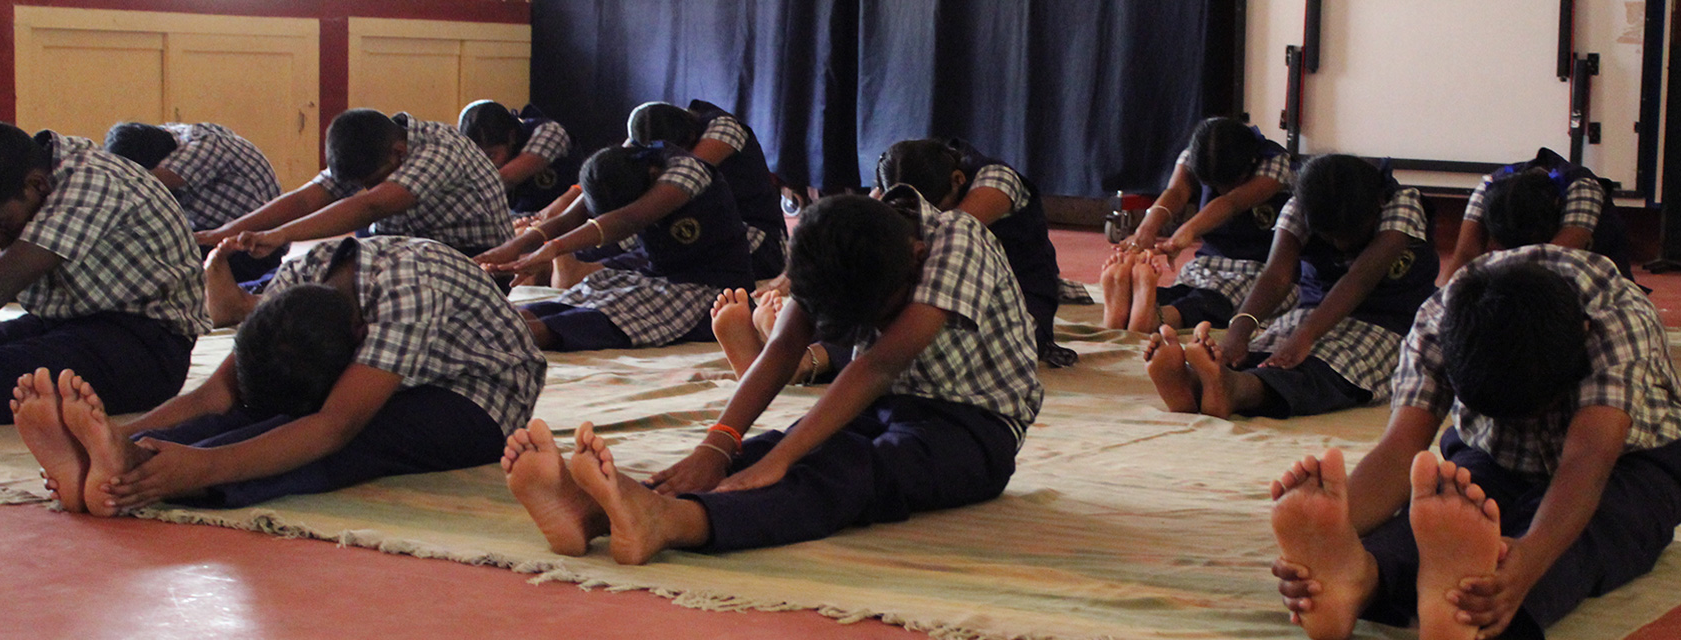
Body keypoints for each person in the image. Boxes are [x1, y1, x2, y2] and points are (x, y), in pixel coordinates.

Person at [501, 191, 1041, 564]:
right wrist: (717, 445)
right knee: (761, 451)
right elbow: (784, 345)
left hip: (975, 427)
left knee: (850, 470)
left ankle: (672, 523)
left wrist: (784, 460)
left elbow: (877, 364)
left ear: (915, 258)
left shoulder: (955, 242)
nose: (876, 326)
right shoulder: (832, 235)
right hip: (877, 403)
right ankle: (593, 514)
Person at [1269, 245, 1681, 640]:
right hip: (1494, 454)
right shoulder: (1440, 320)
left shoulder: (1615, 318)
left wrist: (1530, 556)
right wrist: (1337, 531)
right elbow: (1400, 450)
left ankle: (1471, 613)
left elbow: (1587, 462)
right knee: (1443, 508)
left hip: (1633, 462)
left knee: (1584, 537)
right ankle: (1359, 579)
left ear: (1581, 337)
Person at [15, 236, 546, 515]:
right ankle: (110, 461)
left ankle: (146, 477)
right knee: (268, 405)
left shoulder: (409, 295)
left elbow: (334, 424)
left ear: (358, 338)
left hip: (477, 394)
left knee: (352, 440)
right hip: (374, 367)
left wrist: (205, 467)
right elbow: (221, 390)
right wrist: (115, 432)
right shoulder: (299, 277)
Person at [0, 121, 209, 429]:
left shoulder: (92, 180)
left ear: (38, 185)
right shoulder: (4, 185)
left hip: (144, 348)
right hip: (64, 325)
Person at [1144, 154, 1436, 419]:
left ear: (1378, 205)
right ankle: (1199, 381)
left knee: (1333, 370)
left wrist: (1306, 336)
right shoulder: (1302, 202)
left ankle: (1237, 390)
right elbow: (1276, 276)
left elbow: (1358, 280)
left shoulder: (1403, 203)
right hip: (1313, 312)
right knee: (1269, 353)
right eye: (1329, 237)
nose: (1340, 245)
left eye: (1350, 234)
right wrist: (1238, 332)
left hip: (1386, 324)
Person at [495, 144, 753, 351]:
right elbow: (568, 218)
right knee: (566, 304)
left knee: (580, 323)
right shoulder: (617, 167)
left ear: (652, 177)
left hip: (710, 289)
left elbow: (628, 219)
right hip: (656, 277)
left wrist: (554, 249)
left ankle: (489, 336)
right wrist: (513, 247)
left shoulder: (685, 170)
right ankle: (485, 326)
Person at [197, 108, 513, 263]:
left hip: (476, 259)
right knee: (320, 262)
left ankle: (249, 304)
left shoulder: (441, 148)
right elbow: (306, 200)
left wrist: (282, 234)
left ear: (399, 155)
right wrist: (224, 232)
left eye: (372, 182)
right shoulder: (374, 148)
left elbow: (371, 205)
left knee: (352, 281)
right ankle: (254, 300)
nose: (366, 188)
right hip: (406, 249)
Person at [875, 138, 1075, 367]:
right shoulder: (897, 191)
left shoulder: (996, 181)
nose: (919, 219)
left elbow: (942, 234)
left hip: (1017, 303)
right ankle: (827, 359)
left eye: (930, 210)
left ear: (958, 180)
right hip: (933, 293)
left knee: (918, 347)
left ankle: (830, 360)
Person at [1103, 118, 1296, 334]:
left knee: (1212, 301)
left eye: (1229, 183)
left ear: (1251, 161)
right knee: (1183, 291)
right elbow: (1175, 193)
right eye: (1214, 185)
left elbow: (1233, 202)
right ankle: (1132, 304)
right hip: (1208, 263)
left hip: (1260, 269)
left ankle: (1156, 318)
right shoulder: (1195, 154)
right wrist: (1145, 231)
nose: (1221, 189)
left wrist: (1186, 232)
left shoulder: (1274, 161)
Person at [105, 121, 285, 283]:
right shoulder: (161, 140)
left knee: (151, 265)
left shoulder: (203, 148)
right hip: (215, 233)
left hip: (255, 247)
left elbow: (135, 185)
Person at [625, 100, 786, 280]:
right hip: (707, 237)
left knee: (656, 237)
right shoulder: (661, 132)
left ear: (691, 138)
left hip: (760, 245)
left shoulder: (723, 128)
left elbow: (682, 179)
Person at [1439, 148, 1633, 284]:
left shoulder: (1580, 188)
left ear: (1556, 206)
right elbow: (1465, 255)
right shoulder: (1488, 187)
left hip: (1592, 275)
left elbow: (1554, 258)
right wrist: (1442, 301)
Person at [457, 100, 578, 219]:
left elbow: (505, 179)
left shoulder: (550, 132)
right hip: (521, 224)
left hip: (562, 224)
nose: (484, 164)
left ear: (512, 137)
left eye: (491, 155)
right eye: (477, 157)